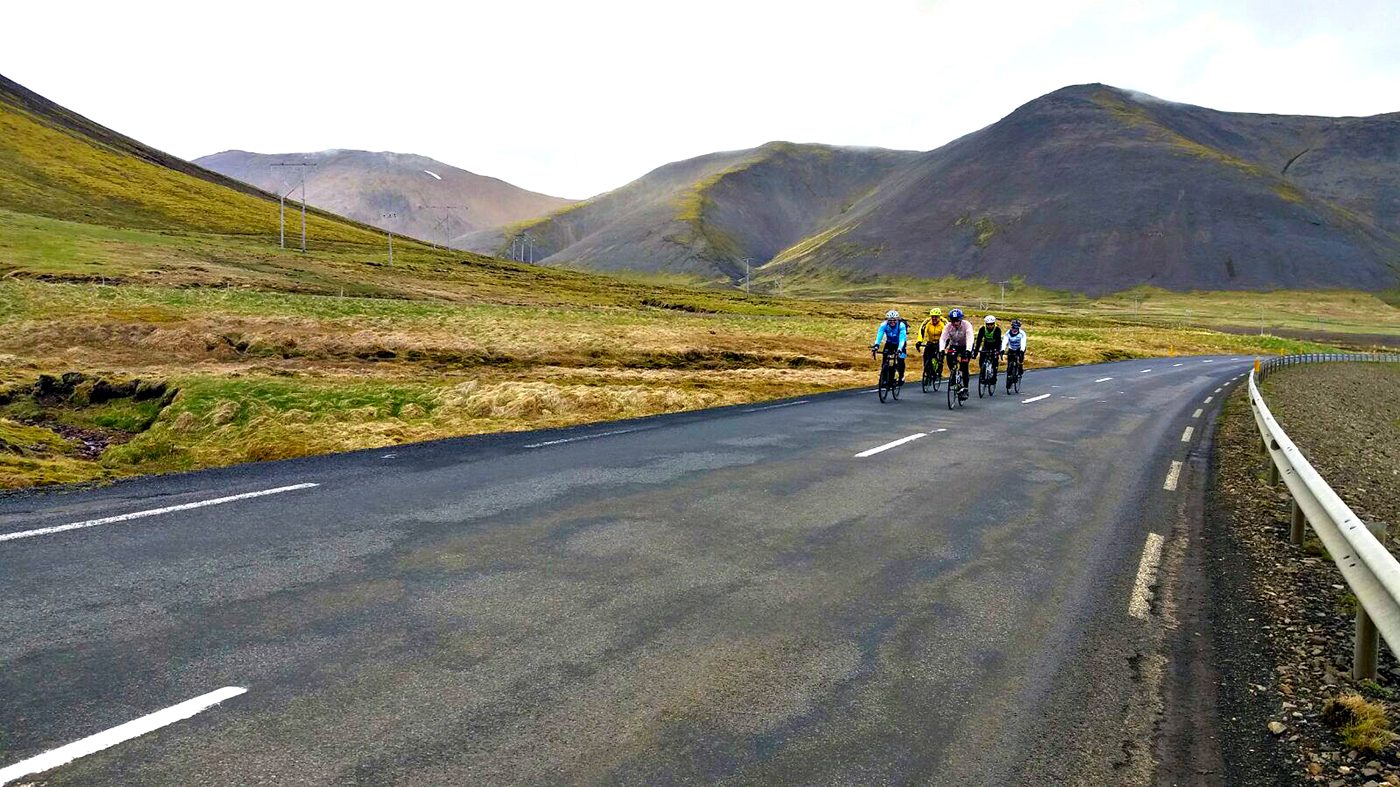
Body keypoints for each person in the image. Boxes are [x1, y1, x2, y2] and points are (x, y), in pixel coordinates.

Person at [938, 308, 974, 400]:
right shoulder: (948, 326)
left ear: (961, 320)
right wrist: (941, 350)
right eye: (953, 321)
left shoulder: (967, 325)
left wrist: (968, 350)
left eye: (957, 321)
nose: (955, 323)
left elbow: (970, 338)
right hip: (954, 345)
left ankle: (965, 388)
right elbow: (943, 338)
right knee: (949, 358)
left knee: (964, 366)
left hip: (965, 346)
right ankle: (954, 374)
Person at [871, 309, 907, 385]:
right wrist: (876, 345)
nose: (892, 322)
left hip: (900, 344)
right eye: (890, 320)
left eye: (894, 320)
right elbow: (879, 335)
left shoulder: (901, 325)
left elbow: (902, 339)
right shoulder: (884, 325)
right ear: (887, 320)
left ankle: (901, 376)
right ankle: (884, 379)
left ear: (897, 320)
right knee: (885, 360)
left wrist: (900, 349)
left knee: (900, 360)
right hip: (889, 343)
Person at [915, 308, 946, 382]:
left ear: (939, 317)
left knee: (940, 356)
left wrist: (945, 345)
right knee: (926, 357)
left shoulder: (944, 323)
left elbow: (947, 334)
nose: (934, 318)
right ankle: (929, 373)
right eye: (932, 317)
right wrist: (919, 341)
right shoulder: (927, 322)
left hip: (940, 341)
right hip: (931, 341)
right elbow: (921, 332)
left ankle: (939, 369)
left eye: (936, 317)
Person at [973, 314, 1003, 385]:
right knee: (981, 359)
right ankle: (983, 374)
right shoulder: (982, 329)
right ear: (985, 324)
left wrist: (997, 351)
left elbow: (998, 341)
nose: (990, 326)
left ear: (994, 323)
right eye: (988, 324)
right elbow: (979, 340)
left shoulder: (997, 329)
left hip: (995, 344)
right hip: (986, 344)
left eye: (991, 324)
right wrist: (976, 351)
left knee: (995, 360)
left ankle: (994, 376)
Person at [1002, 319, 1027, 392]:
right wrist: (1002, 349)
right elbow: (1005, 341)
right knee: (1009, 364)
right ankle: (1009, 376)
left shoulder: (1022, 333)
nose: (1014, 329)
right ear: (1011, 327)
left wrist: (1021, 351)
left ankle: (1020, 369)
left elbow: (1023, 343)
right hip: (1011, 348)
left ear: (1018, 328)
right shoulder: (1008, 333)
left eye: (1016, 328)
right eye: (1013, 327)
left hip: (1019, 348)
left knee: (1020, 359)